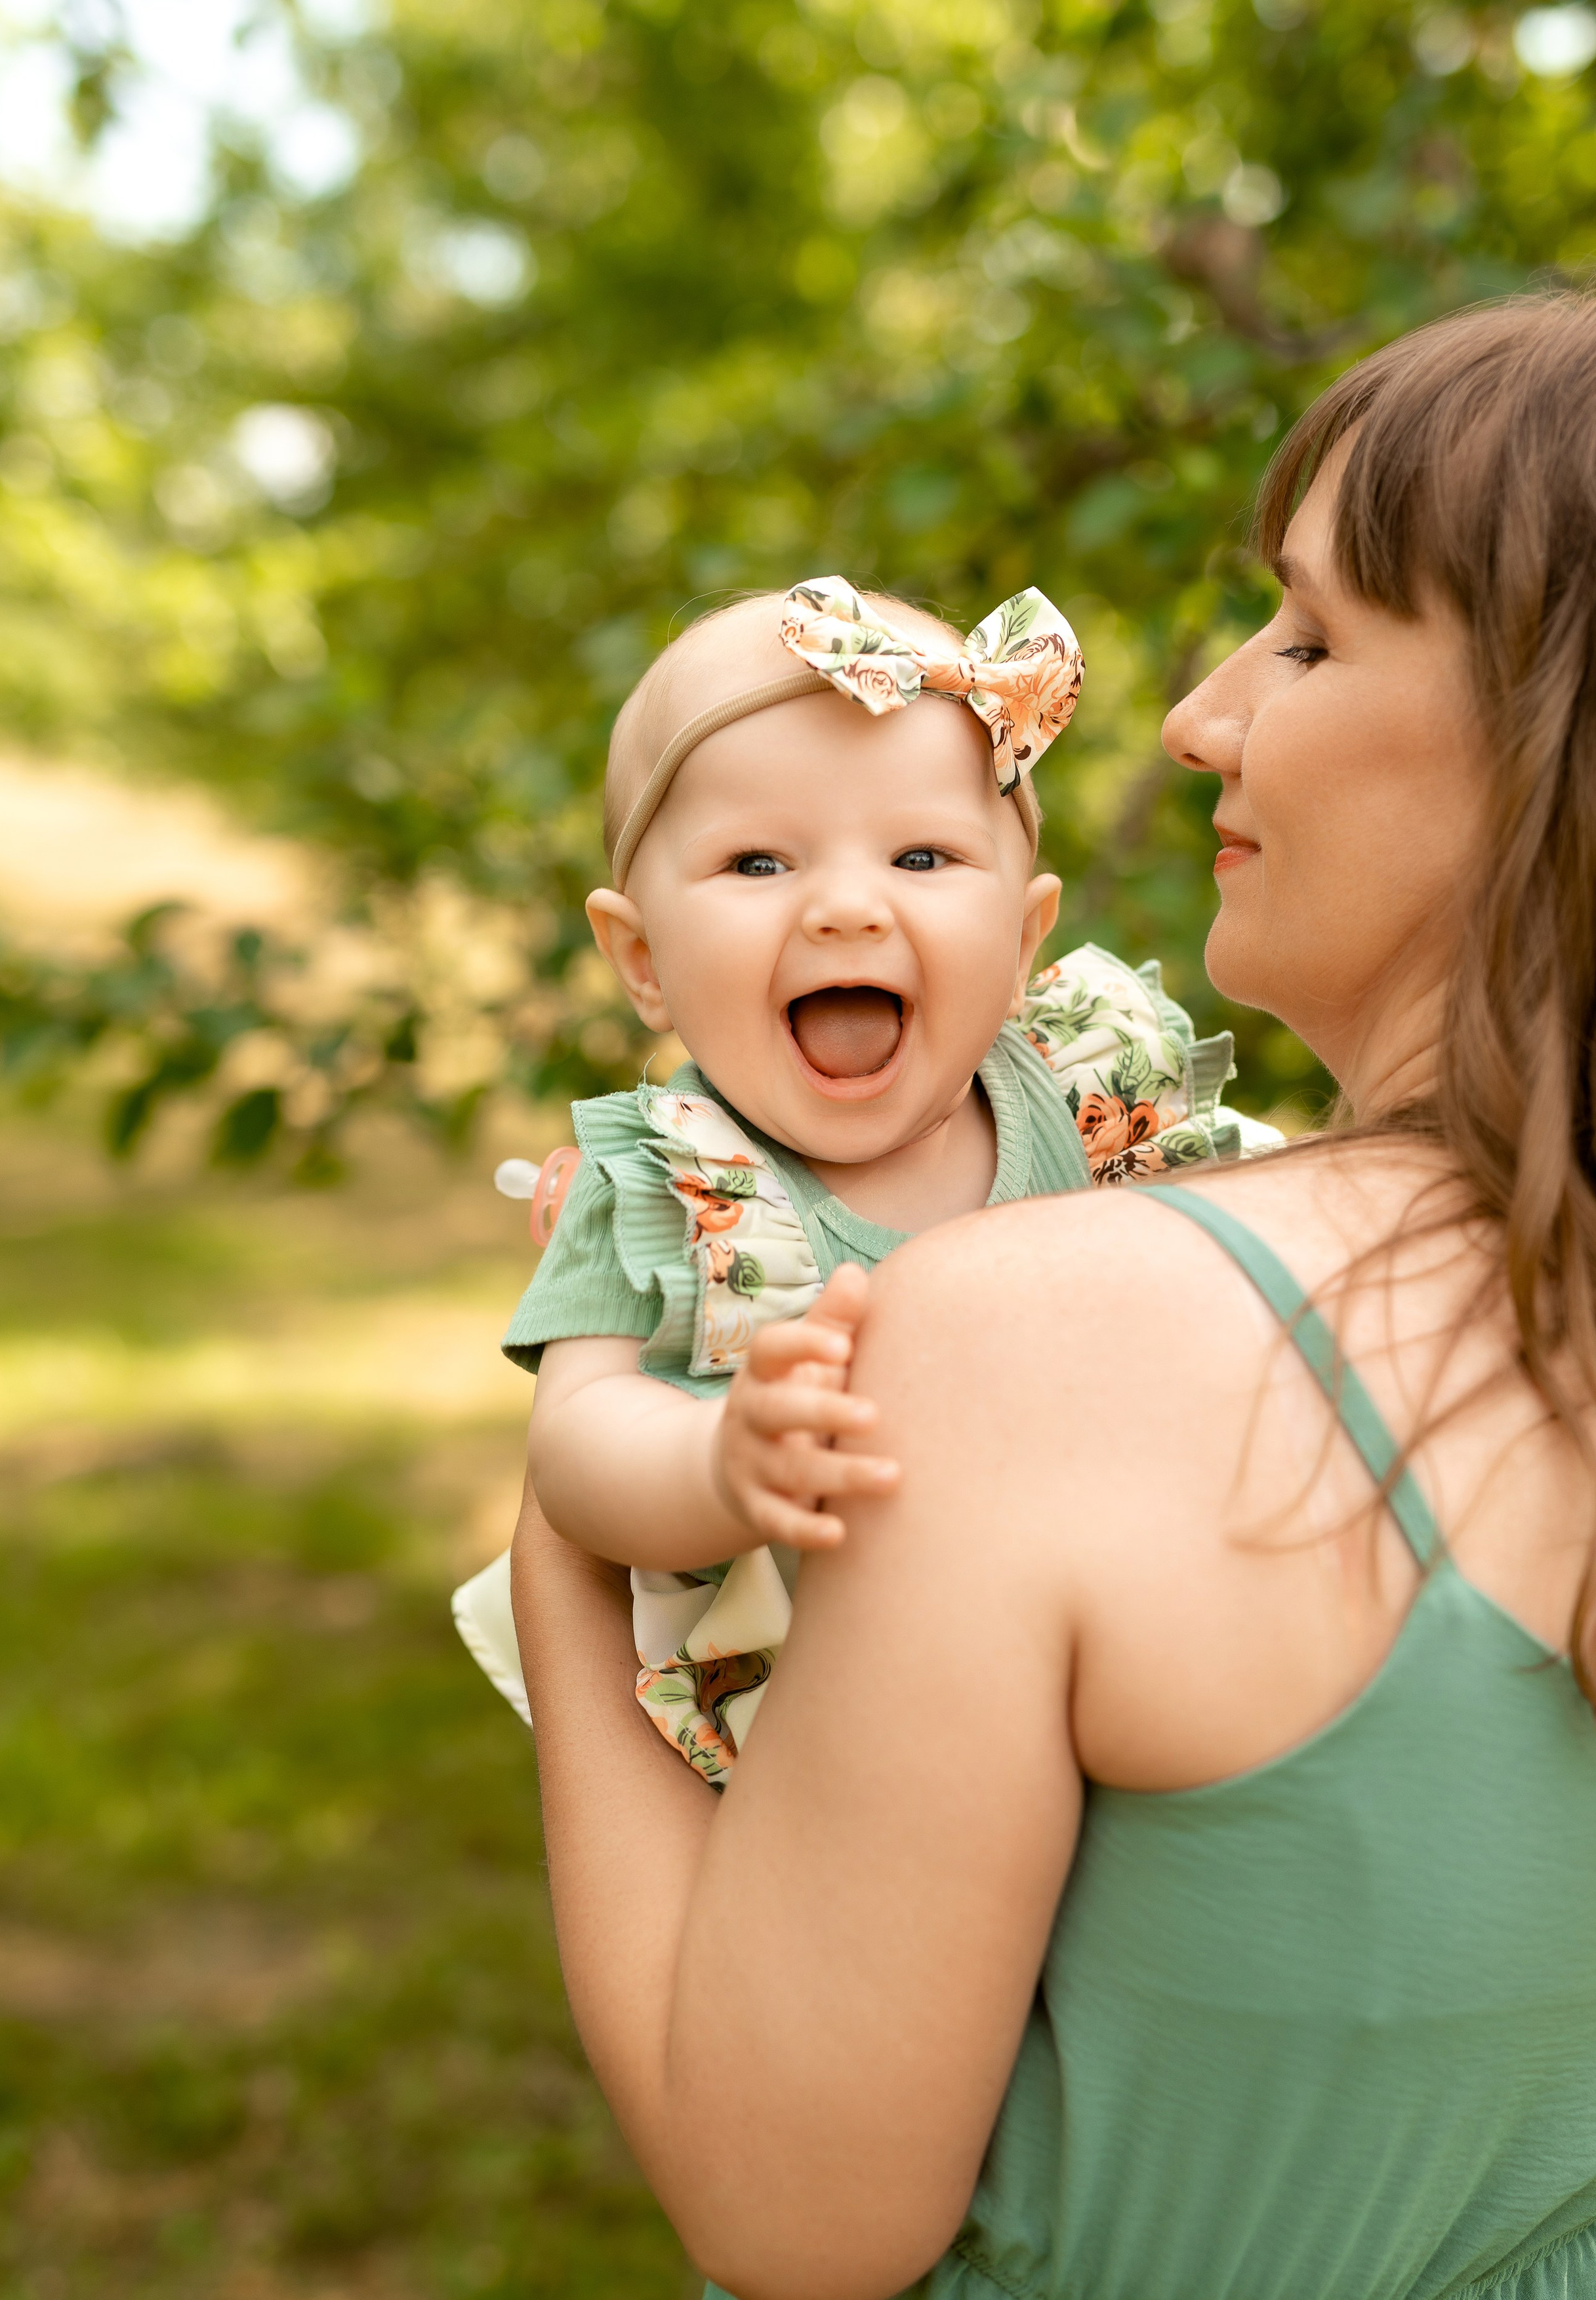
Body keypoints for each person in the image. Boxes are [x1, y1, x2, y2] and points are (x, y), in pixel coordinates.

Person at [512, 288, 1596, 2300]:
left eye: (1311, 643)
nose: (1200, 718)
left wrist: (570, 1562)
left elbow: (797, 2209)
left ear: (1571, 725)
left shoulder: (1043, 1342)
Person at [493, 575, 1267, 1782]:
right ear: (641, 961)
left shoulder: (1089, 1096)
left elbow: (1267, 1233)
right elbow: (578, 1443)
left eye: (921, 854)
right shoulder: (673, 1180)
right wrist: (717, 1466)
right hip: (840, 1747)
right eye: (757, 863)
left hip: (1134, 1665)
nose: (849, 907)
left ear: (1022, 941)